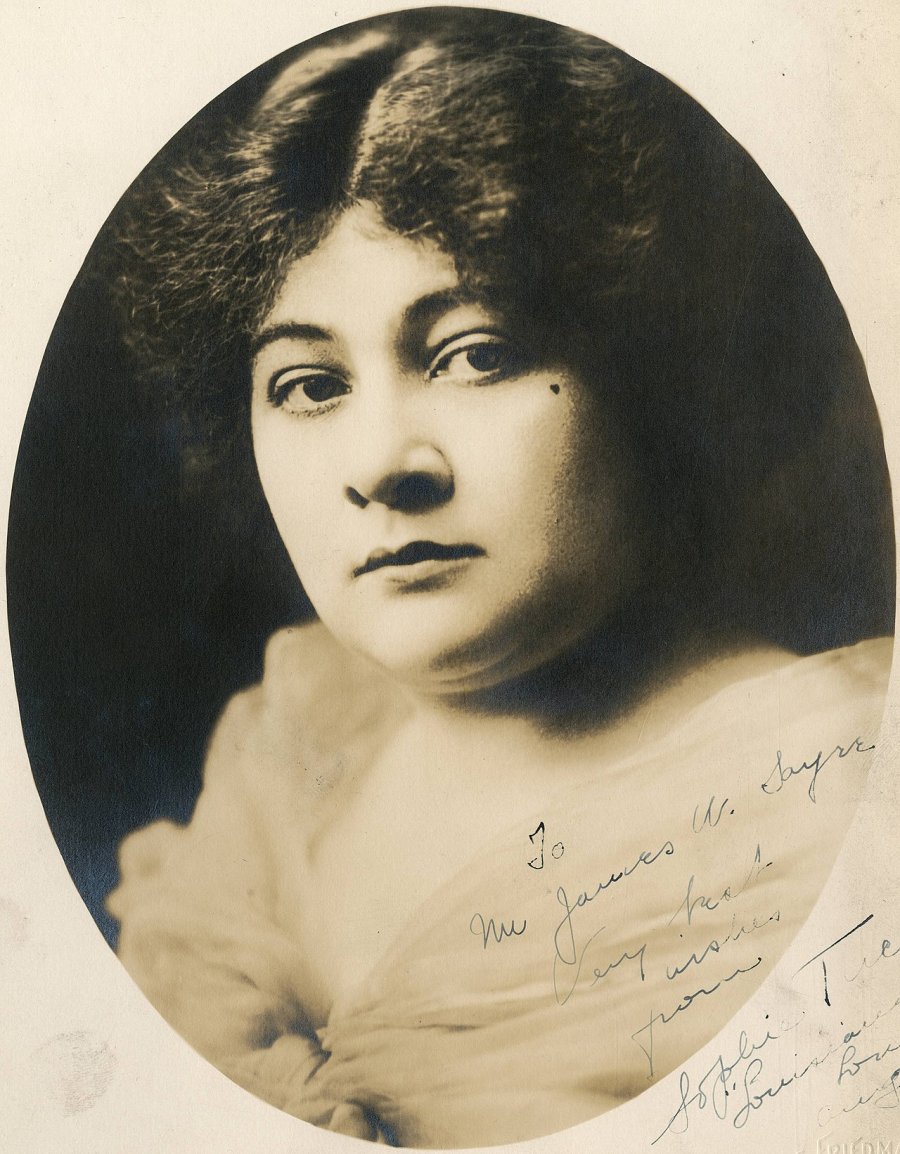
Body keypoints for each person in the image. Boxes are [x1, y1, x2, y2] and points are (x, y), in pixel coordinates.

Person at [105, 9, 893, 1147]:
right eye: (310, 384)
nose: (382, 464)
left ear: (647, 374)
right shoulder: (289, 753)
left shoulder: (839, 803)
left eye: (474, 355)